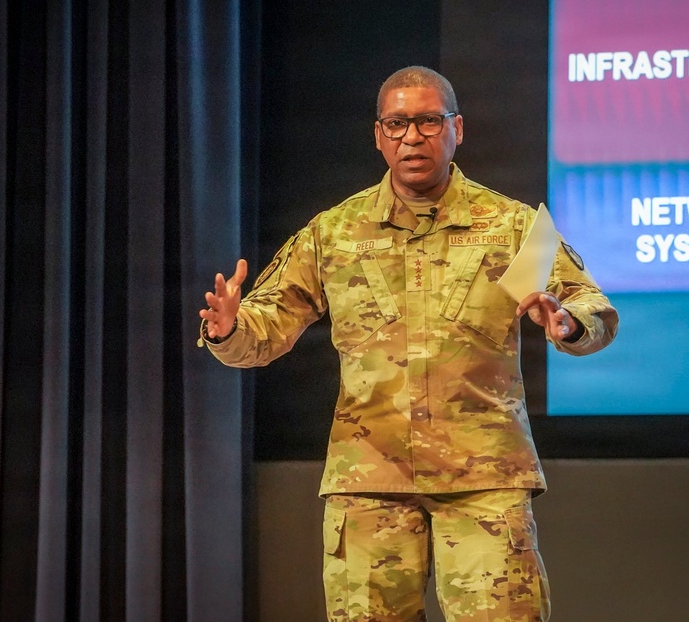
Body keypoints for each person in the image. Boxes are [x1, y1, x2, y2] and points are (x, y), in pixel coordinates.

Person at [199, 66, 618, 622]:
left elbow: (593, 308)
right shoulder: (334, 232)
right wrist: (229, 328)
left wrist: (568, 322)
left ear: (457, 128)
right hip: (370, 480)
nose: (412, 137)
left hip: (481, 480)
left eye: (427, 121)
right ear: (379, 135)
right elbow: (267, 328)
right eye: (397, 124)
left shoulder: (513, 224)